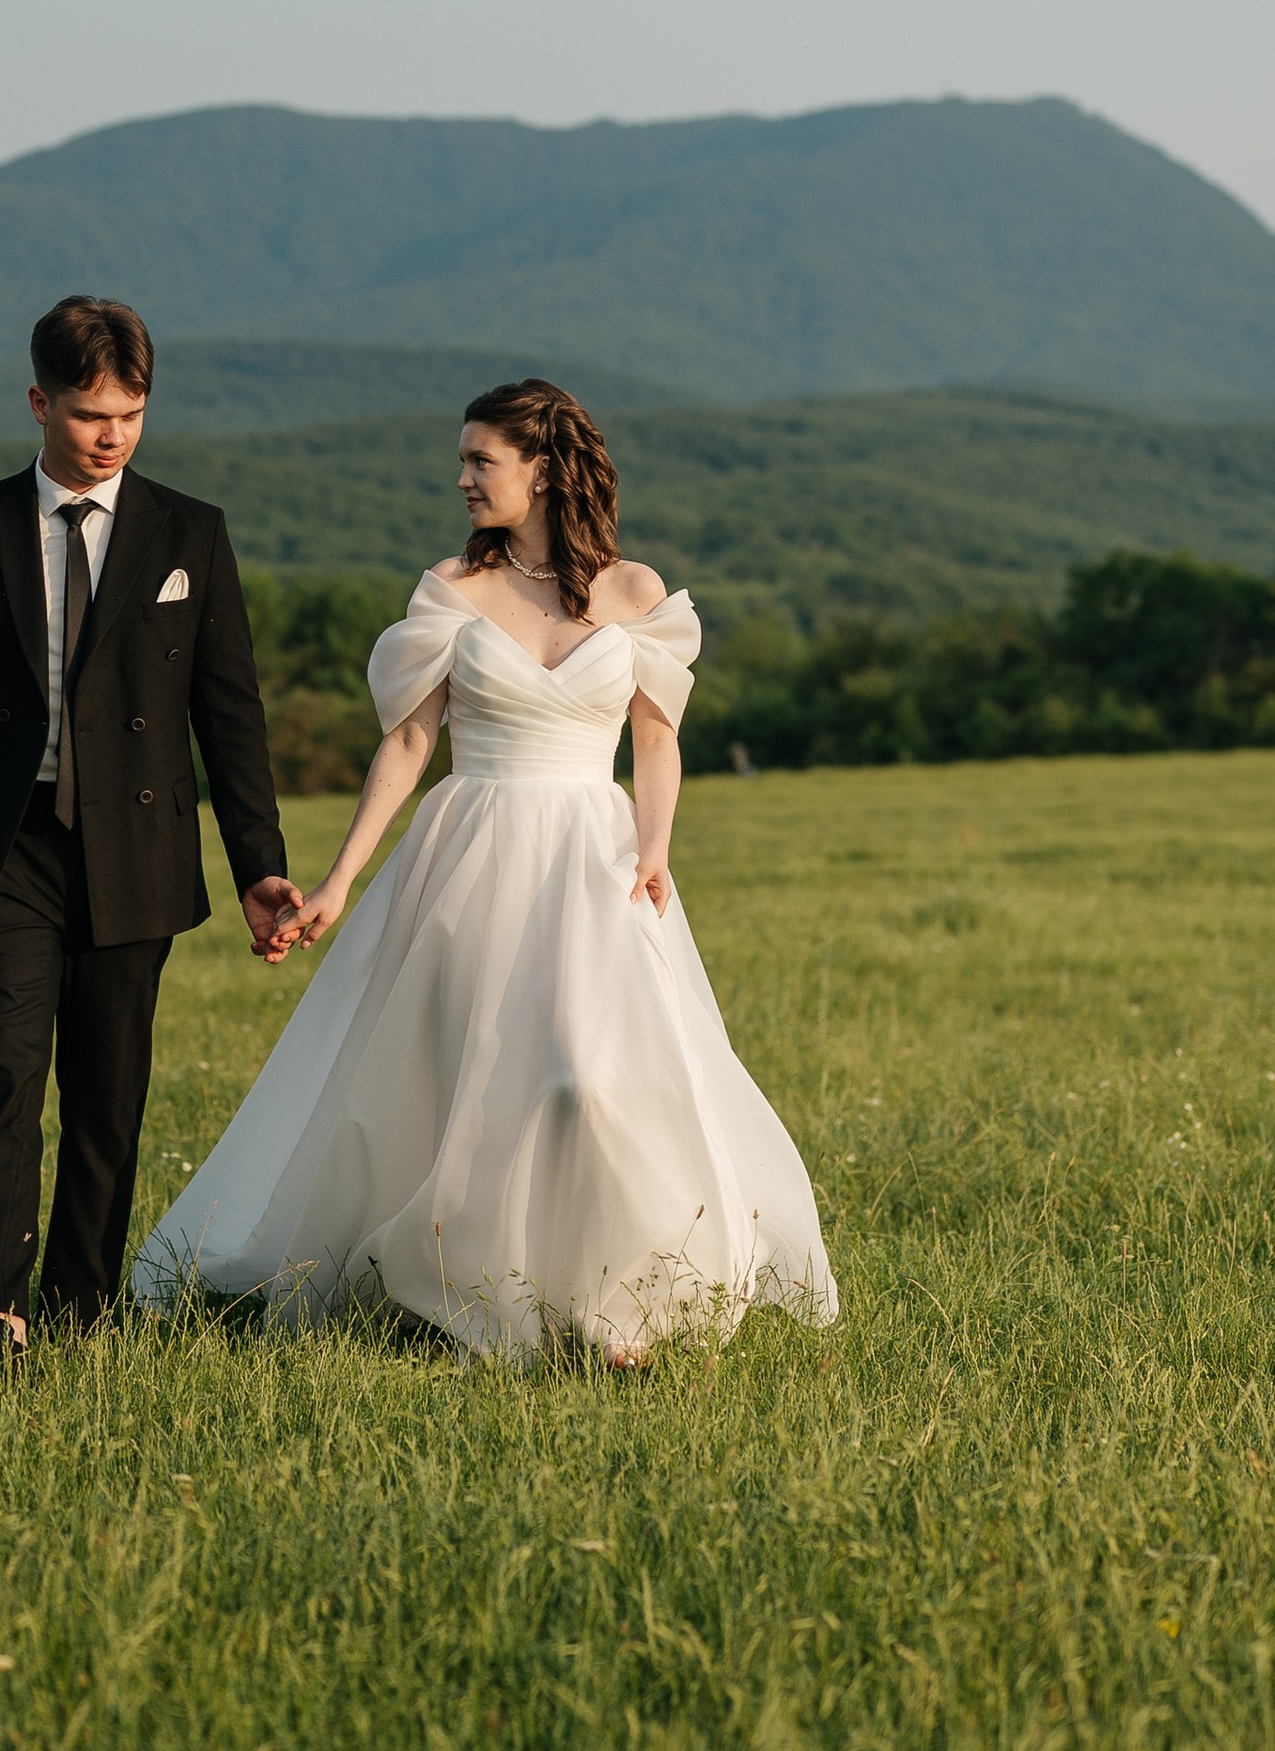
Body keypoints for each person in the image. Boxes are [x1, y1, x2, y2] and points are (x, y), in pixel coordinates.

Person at [132, 379, 835, 1362]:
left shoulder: (633, 591)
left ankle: (613, 1302)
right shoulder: (450, 589)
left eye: (480, 460)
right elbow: (408, 744)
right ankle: (468, 1289)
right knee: (474, 1081)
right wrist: (336, 882)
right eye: (462, 460)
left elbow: (658, 738)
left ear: (541, 469)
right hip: (470, 852)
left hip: (597, 853)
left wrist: (657, 844)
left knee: (588, 1076)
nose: (462, 478)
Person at [0, 296, 300, 1371]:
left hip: (136, 853)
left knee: (108, 1097)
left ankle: (79, 1306)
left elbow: (229, 710)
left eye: (129, 413)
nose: (109, 434)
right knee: (6, 1078)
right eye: (86, 413)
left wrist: (261, 865)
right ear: (37, 401)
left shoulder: (187, 531)